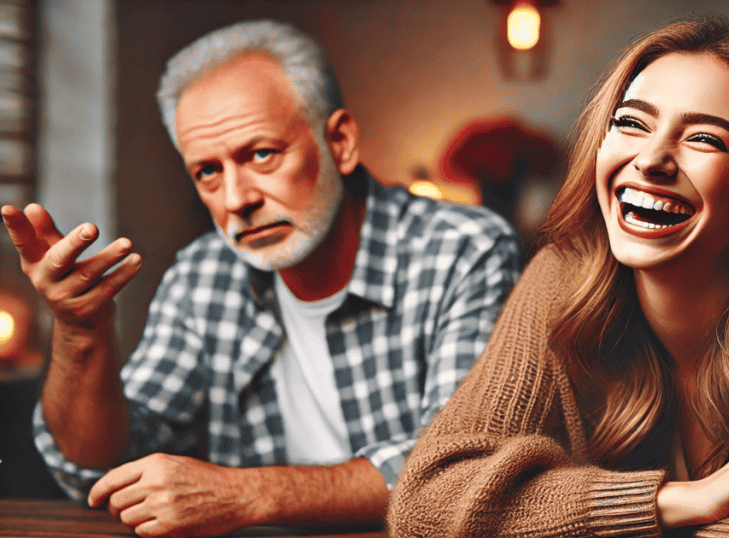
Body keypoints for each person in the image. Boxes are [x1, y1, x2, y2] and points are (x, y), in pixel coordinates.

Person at [388, 15, 729, 537]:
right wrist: (680, 501)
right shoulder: (563, 272)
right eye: (631, 124)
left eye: (704, 137)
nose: (652, 159)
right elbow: (426, 503)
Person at [1, 19, 519, 537]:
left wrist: (244, 495)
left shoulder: (462, 250)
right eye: (208, 171)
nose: (236, 200)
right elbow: (95, 469)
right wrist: (80, 329)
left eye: (261, 154)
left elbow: (458, 468)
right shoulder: (204, 274)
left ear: (340, 142)